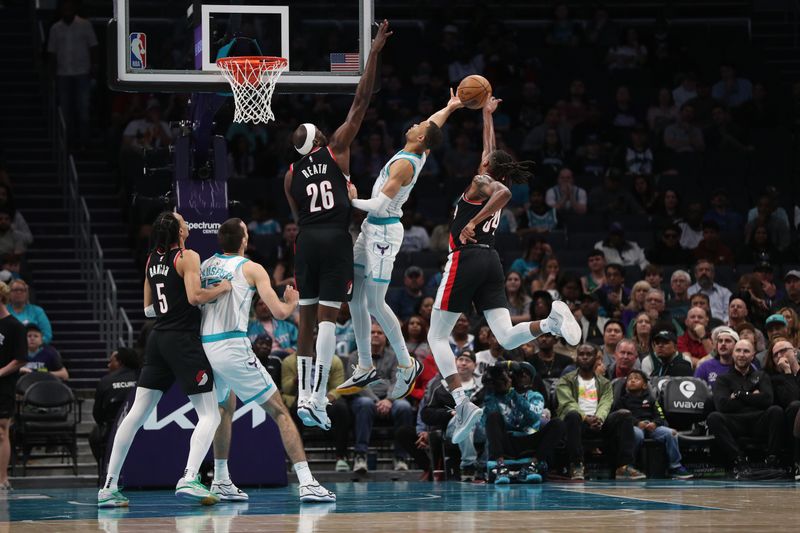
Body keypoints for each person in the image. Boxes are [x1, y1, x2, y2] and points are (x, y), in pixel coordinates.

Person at [427, 97, 581, 447]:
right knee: (508, 337)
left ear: (487, 169)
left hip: (465, 257)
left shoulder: (482, 182)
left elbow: (506, 191)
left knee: (436, 337)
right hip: (491, 261)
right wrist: (487, 114)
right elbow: (491, 151)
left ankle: (462, 403)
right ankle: (551, 323)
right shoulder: (487, 171)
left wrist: (473, 222)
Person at [283, 21, 391, 430]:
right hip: (334, 239)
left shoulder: (291, 174)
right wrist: (375, 52)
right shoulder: (337, 149)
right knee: (329, 317)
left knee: (306, 322)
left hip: (306, 240)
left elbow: (296, 213)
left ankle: (306, 400)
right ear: (320, 140)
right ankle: (314, 397)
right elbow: (361, 100)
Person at [98, 212, 232, 508]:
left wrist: (169, 305)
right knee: (210, 414)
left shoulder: (151, 260)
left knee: (135, 416)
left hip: (157, 338)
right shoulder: (187, 256)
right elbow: (196, 296)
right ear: (180, 231)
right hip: (182, 340)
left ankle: (108, 487)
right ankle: (189, 478)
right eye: (183, 220)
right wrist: (222, 288)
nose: (186, 223)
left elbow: (148, 309)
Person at [199, 218, 334, 503]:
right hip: (232, 345)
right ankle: (307, 482)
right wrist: (293, 301)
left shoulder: (206, 264)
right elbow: (280, 313)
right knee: (280, 412)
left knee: (225, 408)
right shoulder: (251, 268)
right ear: (244, 240)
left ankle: (221, 480)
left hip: (206, 346)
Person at [557, 343, 645, 481]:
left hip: (599, 422)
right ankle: (577, 465)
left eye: (589, 354)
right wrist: (586, 417)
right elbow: (568, 403)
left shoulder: (604, 383)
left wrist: (599, 418)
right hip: (577, 423)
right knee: (573, 415)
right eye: (581, 354)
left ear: (596, 358)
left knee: (624, 415)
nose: (585, 357)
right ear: (576, 357)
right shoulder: (565, 380)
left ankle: (623, 467)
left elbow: (606, 403)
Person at [706, 339, 783, 477]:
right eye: (738, 350)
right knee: (714, 418)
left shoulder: (761, 375)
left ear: (753, 355)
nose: (742, 354)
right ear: (733, 354)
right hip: (735, 422)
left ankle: (772, 460)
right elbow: (722, 406)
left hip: (758, 420)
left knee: (775, 411)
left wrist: (739, 395)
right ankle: (739, 460)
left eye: (746, 351)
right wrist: (753, 397)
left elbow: (767, 400)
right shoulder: (723, 379)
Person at [482, 361, 565, 483]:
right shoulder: (495, 396)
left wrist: (512, 394)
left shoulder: (535, 396)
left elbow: (533, 417)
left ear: (531, 381)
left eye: (525, 374)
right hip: (507, 442)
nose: (520, 377)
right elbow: (486, 422)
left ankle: (533, 465)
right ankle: (500, 466)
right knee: (493, 416)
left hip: (529, 441)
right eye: (517, 374)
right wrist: (490, 390)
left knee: (558, 423)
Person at [348, 322, 415, 473]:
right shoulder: (355, 356)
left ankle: (401, 457)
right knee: (365, 403)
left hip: (390, 398)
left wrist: (389, 400)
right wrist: (377, 402)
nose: (376, 335)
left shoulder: (395, 356)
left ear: (386, 337)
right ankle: (360, 455)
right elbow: (358, 384)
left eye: (380, 332)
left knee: (404, 407)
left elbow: (397, 380)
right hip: (366, 398)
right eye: (372, 332)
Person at [614, 370, 693, 479]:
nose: (632, 380)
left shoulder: (651, 400)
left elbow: (660, 415)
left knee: (672, 433)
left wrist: (655, 424)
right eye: (630, 379)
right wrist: (637, 423)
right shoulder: (621, 401)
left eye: (636, 378)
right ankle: (628, 466)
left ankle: (675, 467)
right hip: (633, 426)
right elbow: (620, 415)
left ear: (645, 385)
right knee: (637, 434)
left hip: (651, 427)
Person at [47, 0, 98, 150]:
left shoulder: (85, 24)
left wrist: (95, 68)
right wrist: (51, 75)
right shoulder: (55, 28)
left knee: (83, 110)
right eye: (65, 7)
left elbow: (94, 46)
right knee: (66, 112)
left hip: (82, 72)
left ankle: (85, 143)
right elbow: (52, 53)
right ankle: (69, 144)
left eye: (70, 7)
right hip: (63, 74)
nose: (67, 10)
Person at [89, 348, 140, 466]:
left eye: (111, 361)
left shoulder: (105, 381)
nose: (108, 365)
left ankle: (105, 469)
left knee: (94, 436)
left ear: (119, 362)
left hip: (112, 432)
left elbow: (97, 415)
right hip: (144, 430)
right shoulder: (143, 378)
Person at [0, 281, 27, 490]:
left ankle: (2, 478)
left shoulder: (15, 326)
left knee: (2, 431)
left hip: (4, 386)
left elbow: (20, 359)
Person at [7, 280, 52, 345]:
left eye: (22, 290)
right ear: (9, 293)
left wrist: (34, 344)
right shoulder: (3, 310)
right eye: (15, 290)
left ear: (27, 293)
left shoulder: (37, 311)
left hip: (33, 351)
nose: (19, 292)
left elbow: (47, 335)